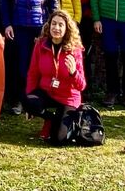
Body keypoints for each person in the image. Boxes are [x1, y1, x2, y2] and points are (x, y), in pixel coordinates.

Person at [0, 0, 58, 115]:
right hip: (19, 26)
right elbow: (4, 1)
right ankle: (19, 100)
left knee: (42, 65)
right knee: (20, 65)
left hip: (40, 27)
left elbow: (54, 3)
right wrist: (7, 24)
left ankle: (37, 101)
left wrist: (52, 26)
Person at [24, 9, 86, 144]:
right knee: (26, 99)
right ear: (49, 25)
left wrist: (73, 72)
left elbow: (81, 86)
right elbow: (33, 73)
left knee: (58, 140)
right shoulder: (41, 44)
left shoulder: (74, 49)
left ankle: (65, 119)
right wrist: (30, 106)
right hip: (47, 92)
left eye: (60, 25)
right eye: (53, 24)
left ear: (67, 29)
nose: (56, 28)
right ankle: (50, 118)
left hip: (67, 97)